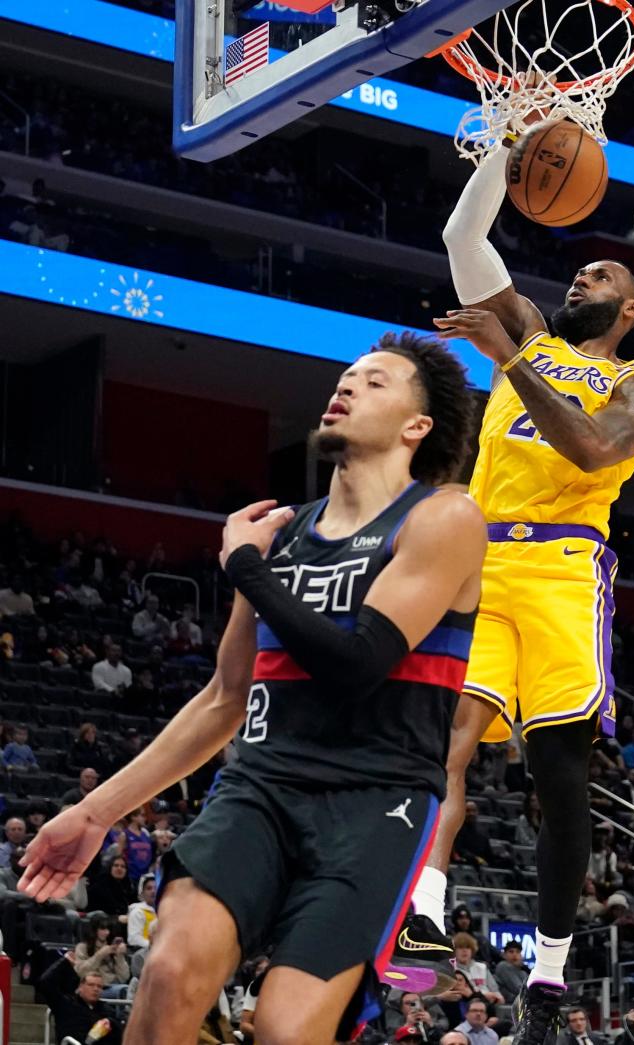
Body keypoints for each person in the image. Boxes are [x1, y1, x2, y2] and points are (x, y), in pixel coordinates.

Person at [18, 334, 487, 1045]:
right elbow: (223, 698)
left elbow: (359, 662)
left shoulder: (443, 517)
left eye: (376, 382)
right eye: (347, 374)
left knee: (285, 1028)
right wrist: (94, 812)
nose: (349, 385)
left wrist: (246, 566)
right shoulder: (281, 536)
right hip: (261, 787)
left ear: (416, 426)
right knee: (172, 971)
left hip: (376, 804)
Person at [398, 121, 634, 1045]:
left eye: (605, 278)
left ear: (628, 311)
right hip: (483, 557)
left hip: (560, 568)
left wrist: (510, 359)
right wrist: (500, 154)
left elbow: (590, 448)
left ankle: (548, 978)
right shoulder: (532, 331)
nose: (583, 277)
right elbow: (463, 242)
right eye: (581, 272)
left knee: (557, 782)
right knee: (448, 738)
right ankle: (427, 903)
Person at [37, 964, 123, 1043]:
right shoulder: (66, 1004)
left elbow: (121, 1030)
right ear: (81, 987)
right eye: (91, 985)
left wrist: (111, 1023)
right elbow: (45, 983)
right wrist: (64, 962)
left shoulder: (107, 1009)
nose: (96, 989)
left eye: (99, 986)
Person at [74, 917, 131, 999]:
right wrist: (100, 955)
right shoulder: (82, 947)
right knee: (123, 991)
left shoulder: (111, 947)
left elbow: (124, 977)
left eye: (108, 929)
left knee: (128, 990)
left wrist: (120, 956)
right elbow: (80, 972)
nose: (107, 932)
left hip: (114, 986)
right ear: (94, 930)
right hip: (95, 987)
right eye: (103, 929)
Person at [127, 874, 157, 951]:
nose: (153, 891)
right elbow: (134, 939)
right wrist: (156, 947)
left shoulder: (163, 912)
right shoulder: (137, 912)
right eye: (149, 888)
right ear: (142, 892)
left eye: (156, 888)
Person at [495, 940, 529, 1004]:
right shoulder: (503, 966)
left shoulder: (523, 972)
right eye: (511, 952)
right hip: (506, 1006)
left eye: (518, 952)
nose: (514, 954)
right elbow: (520, 990)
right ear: (504, 955)